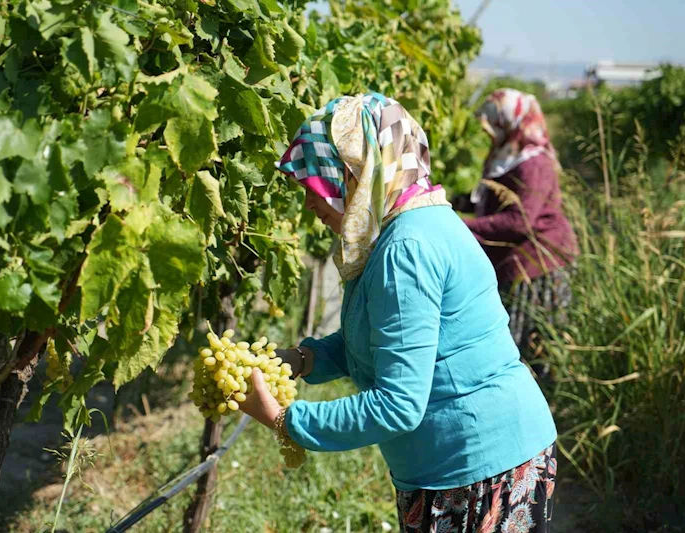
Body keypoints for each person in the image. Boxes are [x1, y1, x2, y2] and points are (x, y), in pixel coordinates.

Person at [240, 93, 558, 532]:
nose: (309, 204)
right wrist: (303, 359)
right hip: (456, 465)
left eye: (316, 186)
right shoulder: (408, 226)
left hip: (477, 466)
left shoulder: (406, 248)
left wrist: (283, 420)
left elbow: (398, 404)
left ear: (356, 172)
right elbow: (387, 338)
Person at [463, 89, 578, 375]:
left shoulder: (533, 163)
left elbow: (518, 221)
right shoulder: (509, 156)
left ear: (511, 122)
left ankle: (535, 406)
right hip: (515, 264)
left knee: (527, 346)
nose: (488, 132)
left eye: (494, 124)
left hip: (537, 267)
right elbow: (494, 198)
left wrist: (460, 226)